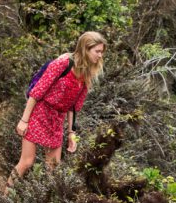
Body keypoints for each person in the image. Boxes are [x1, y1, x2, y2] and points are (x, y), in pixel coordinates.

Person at [6, 31, 106, 191]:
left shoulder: (87, 74)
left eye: (102, 52)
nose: (100, 56)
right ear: (85, 49)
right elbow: (37, 92)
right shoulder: (63, 63)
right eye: (97, 51)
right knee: (26, 162)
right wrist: (24, 120)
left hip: (57, 121)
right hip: (39, 113)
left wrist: (71, 133)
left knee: (53, 169)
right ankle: (5, 201)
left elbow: (73, 107)